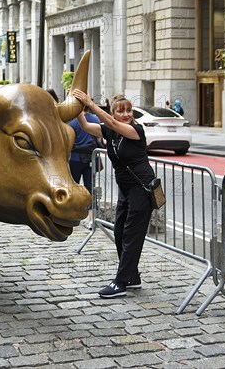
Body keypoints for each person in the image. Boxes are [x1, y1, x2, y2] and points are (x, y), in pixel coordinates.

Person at [72, 90, 155, 298]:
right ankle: (132, 276)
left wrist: (91, 104)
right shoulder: (109, 131)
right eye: (121, 111)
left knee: (131, 235)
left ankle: (120, 282)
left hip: (142, 188)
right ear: (114, 112)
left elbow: (114, 124)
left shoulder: (136, 129)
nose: (126, 114)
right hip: (126, 190)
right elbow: (85, 126)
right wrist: (77, 108)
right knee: (119, 232)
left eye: (129, 110)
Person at [68, 105, 102, 222]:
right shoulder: (95, 119)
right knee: (90, 187)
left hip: (75, 158)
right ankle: (92, 218)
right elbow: (99, 139)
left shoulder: (71, 122)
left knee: (73, 186)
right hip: (91, 157)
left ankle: (72, 214)